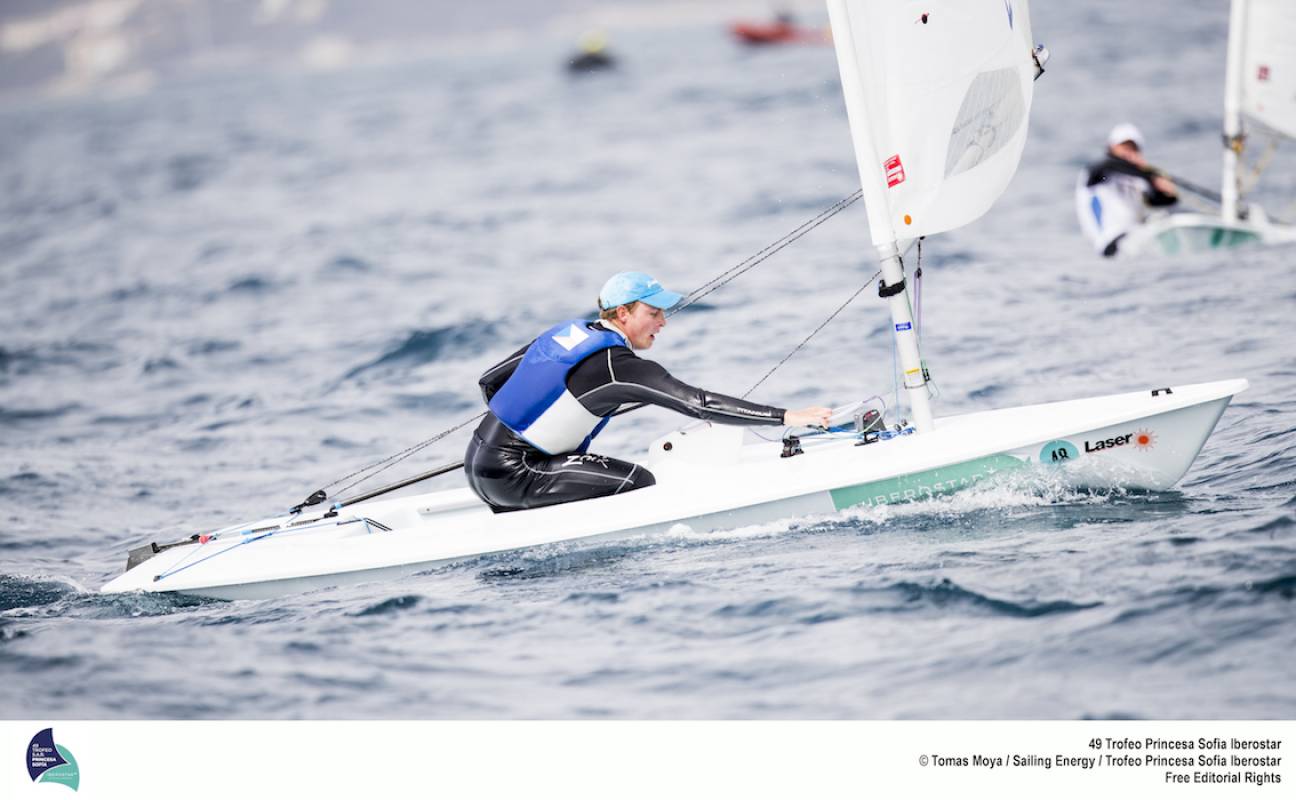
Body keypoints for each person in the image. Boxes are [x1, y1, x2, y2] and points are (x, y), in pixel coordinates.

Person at [464, 271, 833, 512]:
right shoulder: (617, 366)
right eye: (654, 313)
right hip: (516, 474)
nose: (663, 322)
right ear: (623, 314)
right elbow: (698, 404)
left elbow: (490, 381)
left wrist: (530, 425)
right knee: (637, 481)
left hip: (477, 462)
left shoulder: (568, 333)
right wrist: (788, 416)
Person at [1075, 123, 1179, 257]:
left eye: (1133, 148)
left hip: (1136, 236)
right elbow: (1109, 164)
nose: (1128, 151)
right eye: (1124, 146)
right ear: (1111, 147)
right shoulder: (1097, 174)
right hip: (1110, 243)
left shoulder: (1137, 179)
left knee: (1166, 217)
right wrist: (1148, 175)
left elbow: (1160, 201)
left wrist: (1166, 191)